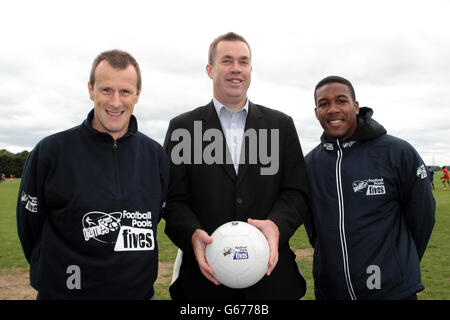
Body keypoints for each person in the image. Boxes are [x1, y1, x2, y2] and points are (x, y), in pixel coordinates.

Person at [163, 32, 311, 300]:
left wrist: (277, 225)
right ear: (210, 69)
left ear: (251, 69)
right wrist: (191, 234)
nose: (236, 69)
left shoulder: (281, 125)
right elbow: (173, 201)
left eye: (243, 62)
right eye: (227, 60)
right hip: (203, 283)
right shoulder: (182, 128)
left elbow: (296, 193)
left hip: (272, 281)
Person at [16, 50, 169, 299]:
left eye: (126, 92)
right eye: (106, 90)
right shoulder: (51, 151)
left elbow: (156, 218)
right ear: (91, 90)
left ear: (138, 94)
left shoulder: (155, 156)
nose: (116, 102)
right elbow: (29, 227)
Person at [304, 75, 435, 300]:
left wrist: (397, 262)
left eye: (341, 100)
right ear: (316, 111)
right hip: (332, 292)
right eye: (323, 104)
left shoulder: (398, 152)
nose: (332, 109)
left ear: (355, 106)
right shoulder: (309, 164)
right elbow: (313, 229)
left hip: (391, 292)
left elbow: (422, 219)